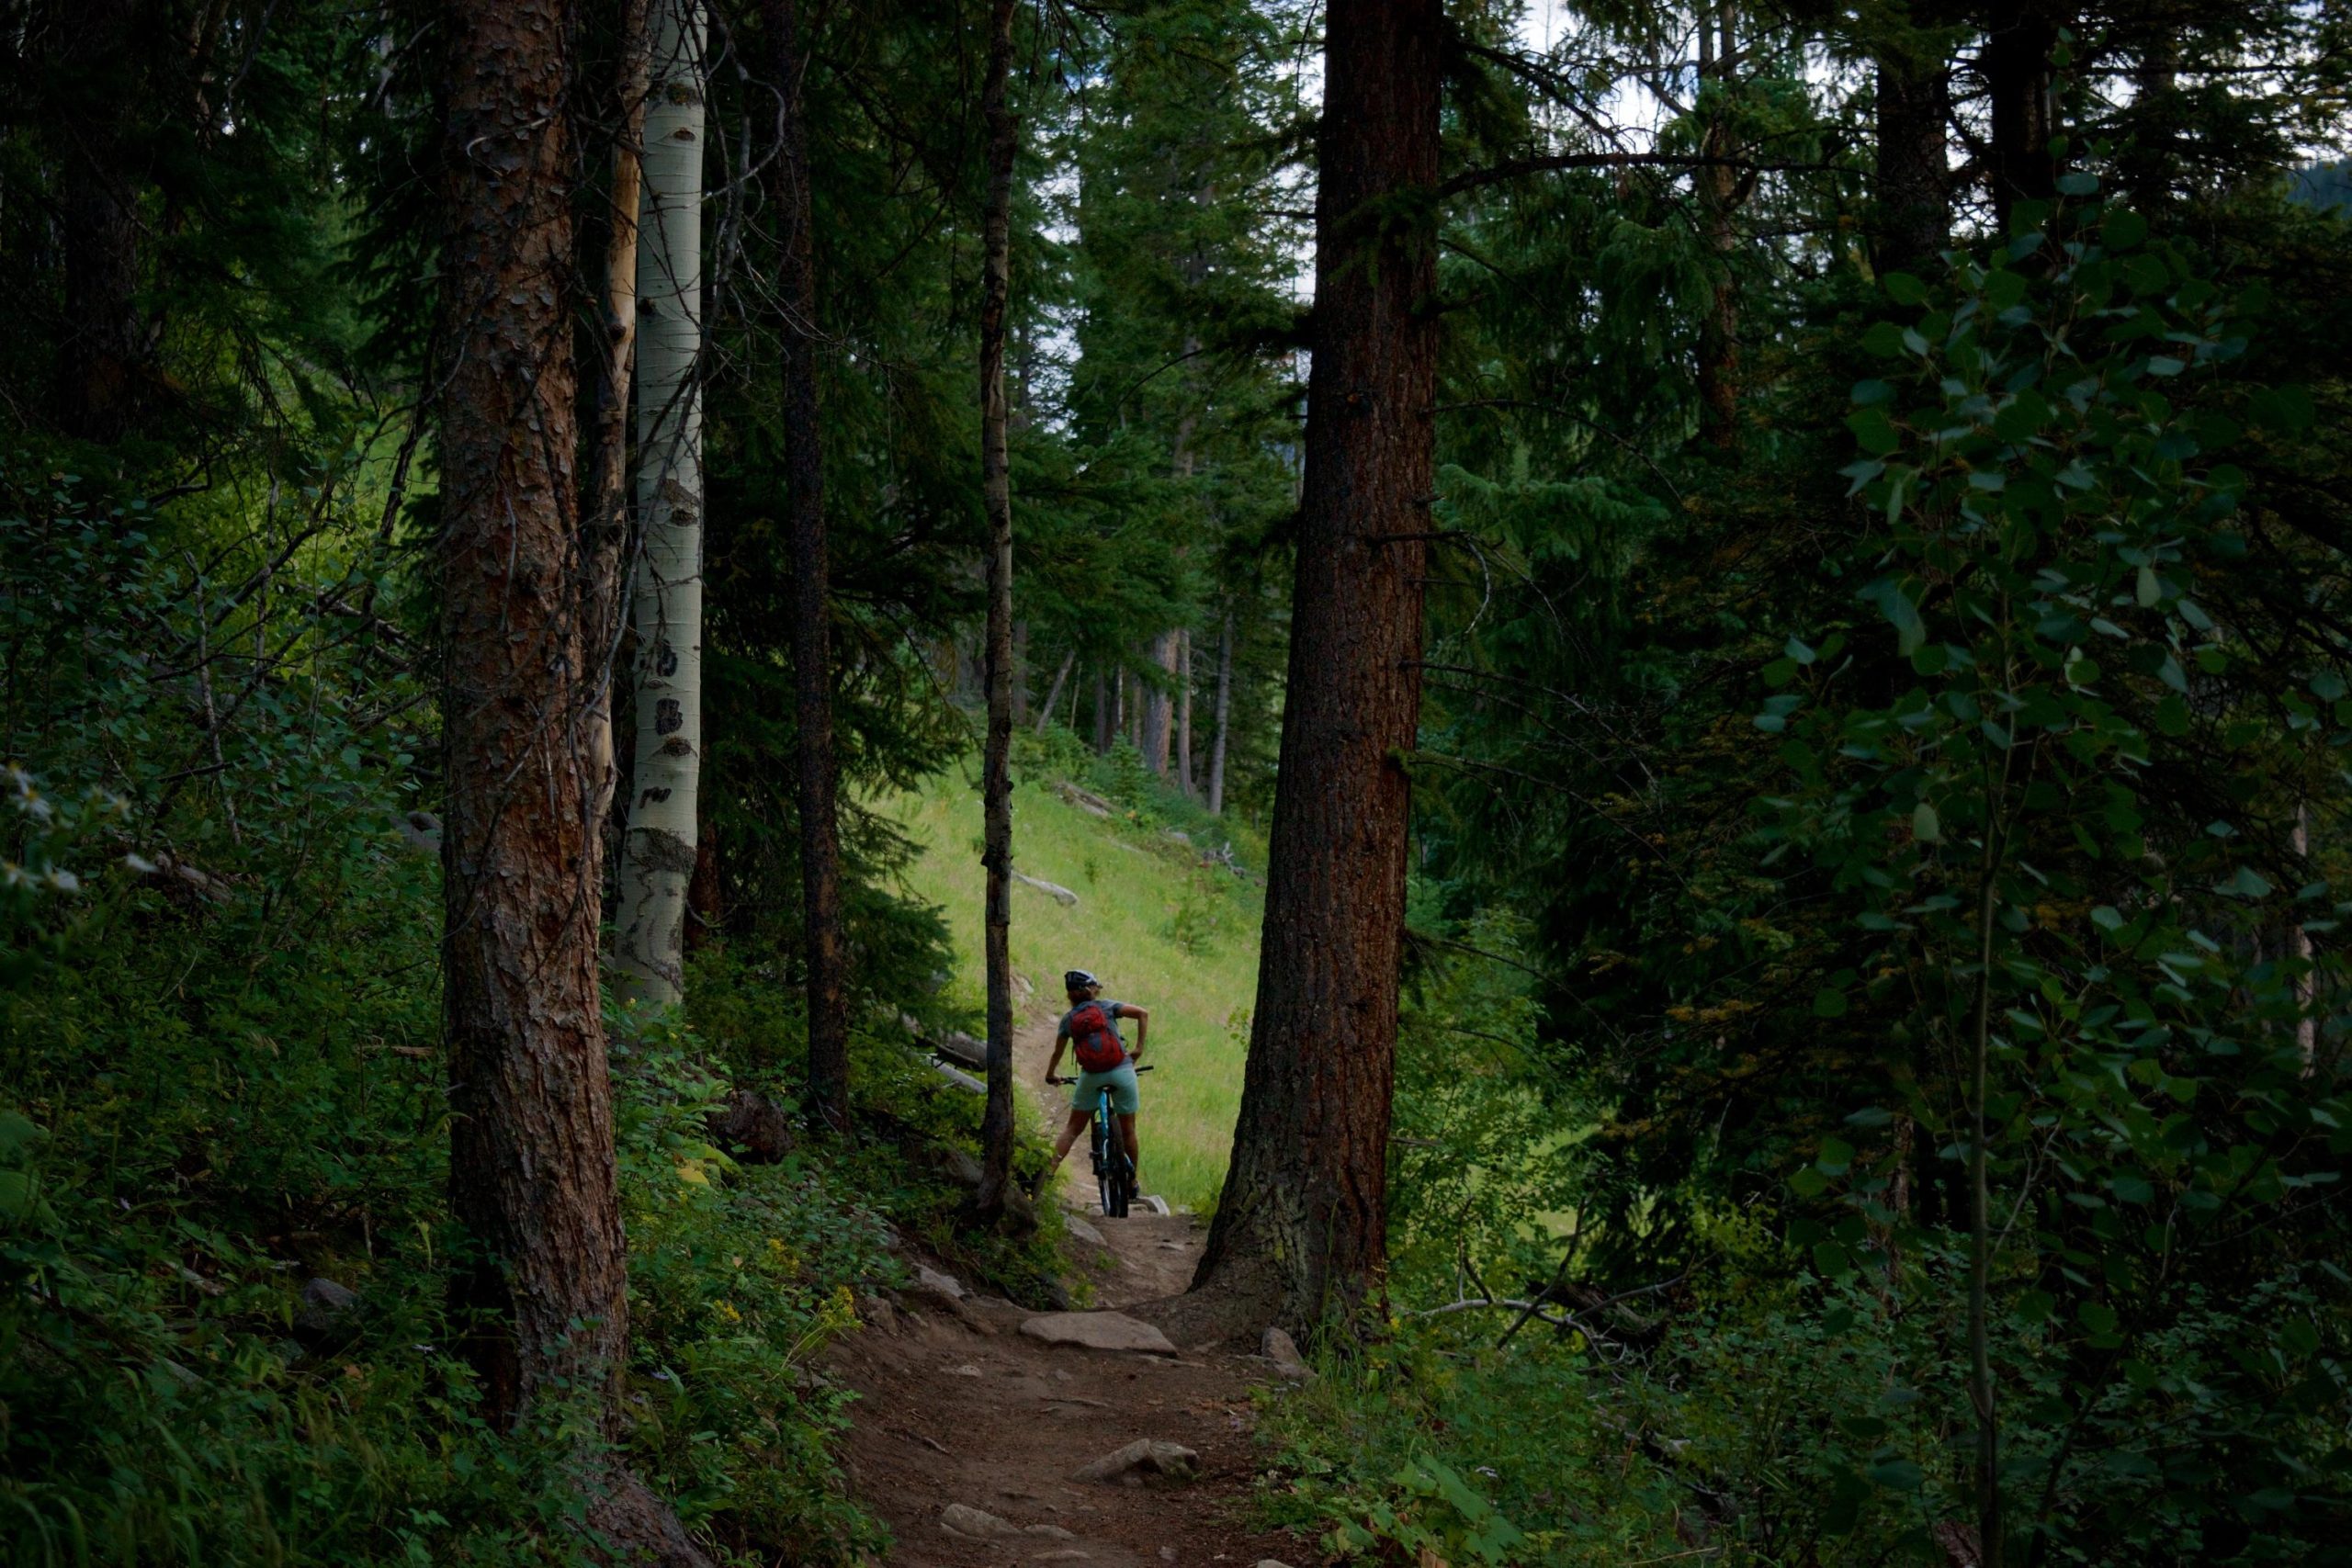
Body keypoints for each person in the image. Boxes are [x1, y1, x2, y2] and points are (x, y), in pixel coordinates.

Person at [1039, 968, 1149, 1201]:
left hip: (1091, 1075)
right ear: (1092, 990)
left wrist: (1051, 1075)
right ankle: (1132, 1182)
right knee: (1128, 1129)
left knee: (1071, 1130)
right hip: (1122, 1070)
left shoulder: (1068, 1021)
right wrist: (1138, 1049)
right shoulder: (1107, 1007)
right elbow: (1142, 1013)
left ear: (1070, 995)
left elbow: (1057, 1053)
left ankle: (1044, 1179)